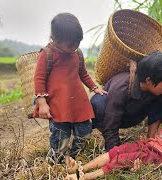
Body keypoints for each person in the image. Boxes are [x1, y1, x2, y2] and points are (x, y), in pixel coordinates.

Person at [33, 13, 107, 164]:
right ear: (55, 39)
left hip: (78, 102)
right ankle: (55, 161)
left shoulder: (77, 54)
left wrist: (94, 88)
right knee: (61, 137)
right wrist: (42, 103)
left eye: (77, 43)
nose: (74, 47)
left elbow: (83, 74)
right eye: (70, 44)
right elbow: (39, 79)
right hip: (58, 105)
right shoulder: (47, 54)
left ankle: (74, 157)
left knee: (85, 132)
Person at [66, 104, 162, 179]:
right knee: (115, 151)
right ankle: (81, 168)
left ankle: (83, 177)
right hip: (146, 146)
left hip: (157, 155)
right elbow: (160, 137)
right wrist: (148, 140)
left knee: (120, 160)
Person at [90, 51, 162, 151]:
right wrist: (115, 154)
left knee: (160, 98)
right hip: (112, 116)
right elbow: (111, 125)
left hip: (135, 115)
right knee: (98, 102)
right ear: (149, 80)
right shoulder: (121, 88)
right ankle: (107, 138)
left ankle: (151, 140)